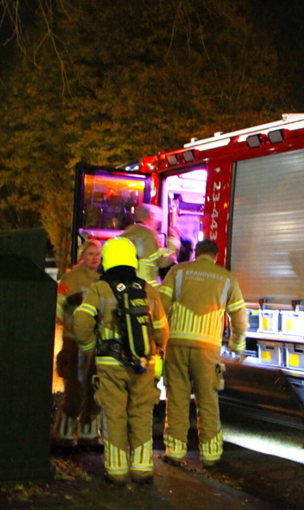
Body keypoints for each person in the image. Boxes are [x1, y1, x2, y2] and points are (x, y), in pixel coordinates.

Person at [73, 237, 169, 485]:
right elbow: (161, 329)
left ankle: (116, 472)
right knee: (141, 415)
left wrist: (90, 347)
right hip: (144, 363)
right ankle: (142, 470)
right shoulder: (149, 290)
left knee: (114, 415)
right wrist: (157, 351)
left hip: (110, 364)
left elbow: (82, 322)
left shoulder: (100, 289)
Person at [160, 239, 247, 467]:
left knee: (177, 398)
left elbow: (160, 306)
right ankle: (210, 455)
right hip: (207, 348)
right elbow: (239, 315)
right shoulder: (226, 278)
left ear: (196, 254)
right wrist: (237, 344)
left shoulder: (178, 271)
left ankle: (175, 452)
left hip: (177, 344)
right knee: (207, 399)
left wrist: (158, 341)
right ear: (215, 255)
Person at [52, 239, 102, 446]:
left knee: (94, 391)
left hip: (96, 344)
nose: (94, 258)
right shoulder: (71, 278)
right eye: (90, 254)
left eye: (97, 254)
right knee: (74, 390)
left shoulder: (102, 280)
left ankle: (88, 436)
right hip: (74, 344)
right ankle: (62, 435)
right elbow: (57, 307)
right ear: (82, 256)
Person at [120, 204, 176, 287]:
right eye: (157, 223)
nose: (156, 226)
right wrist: (173, 241)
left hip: (128, 285)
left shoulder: (125, 234)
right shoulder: (149, 233)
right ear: (151, 216)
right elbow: (163, 261)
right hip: (147, 287)